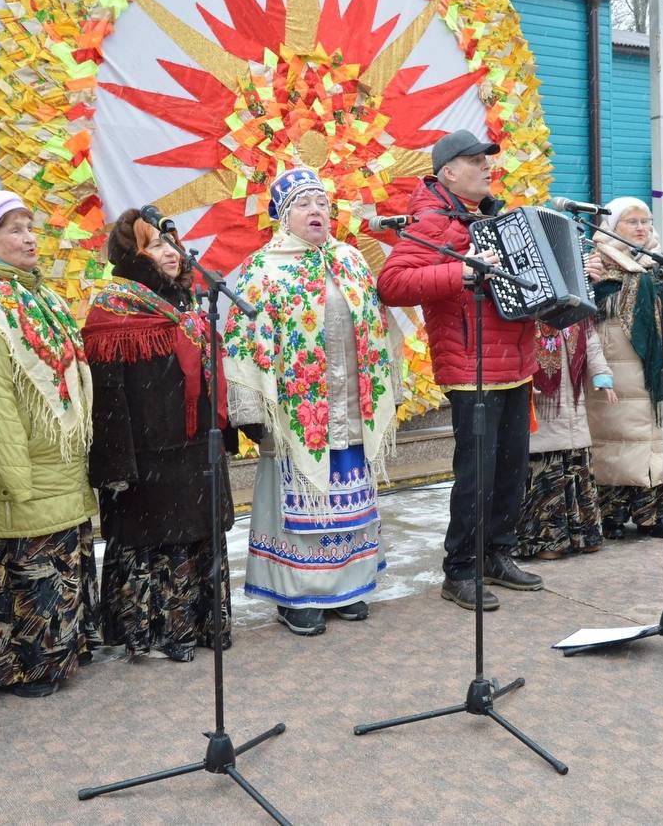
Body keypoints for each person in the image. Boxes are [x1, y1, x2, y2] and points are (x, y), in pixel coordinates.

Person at [223, 168, 400, 636]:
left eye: (321, 202)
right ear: (283, 216)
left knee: (349, 495)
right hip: (297, 414)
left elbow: (379, 328)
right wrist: (250, 410)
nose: (316, 211)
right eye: (303, 204)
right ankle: (297, 594)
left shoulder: (350, 260)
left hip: (350, 405)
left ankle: (351, 584)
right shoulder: (265, 268)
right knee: (301, 498)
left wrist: (389, 390)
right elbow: (242, 340)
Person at [377, 129, 544, 610]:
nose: (487, 167)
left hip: (516, 363)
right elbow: (392, 283)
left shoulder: (494, 218)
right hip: (469, 367)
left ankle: (498, 553)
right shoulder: (430, 222)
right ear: (448, 171)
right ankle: (461, 570)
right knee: (477, 473)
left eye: (487, 160)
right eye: (475, 161)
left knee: (512, 469)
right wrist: (461, 271)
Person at [0, 190, 99, 696]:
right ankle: (23, 666)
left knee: (57, 564)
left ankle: (61, 652)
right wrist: (18, 483)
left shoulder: (41, 297)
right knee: (26, 568)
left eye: (30, 226)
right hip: (22, 479)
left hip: (59, 465)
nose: (30, 237)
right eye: (14, 228)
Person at [84, 209, 234, 661]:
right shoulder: (112, 309)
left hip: (193, 452)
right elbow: (107, 401)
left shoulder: (185, 304)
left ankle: (201, 624)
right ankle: (160, 632)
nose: (171, 253)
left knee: (197, 536)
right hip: (148, 459)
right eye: (156, 245)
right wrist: (116, 466)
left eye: (173, 243)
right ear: (132, 255)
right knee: (157, 544)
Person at [586, 197, 663, 539]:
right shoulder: (596, 265)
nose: (641, 228)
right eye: (632, 221)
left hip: (658, 370)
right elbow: (585, 325)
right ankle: (614, 514)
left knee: (658, 442)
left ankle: (655, 514)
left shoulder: (662, 265)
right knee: (616, 443)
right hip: (615, 371)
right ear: (612, 226)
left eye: (646, 221)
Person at [512, 316, 613, 559]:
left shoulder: (577, 309)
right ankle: (547, 540)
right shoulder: (529, 307)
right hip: (541, 405)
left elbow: (591, 344)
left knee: (577, 466)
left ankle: (583, 534)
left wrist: (602, 376)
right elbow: (517, 342)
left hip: (574, 408)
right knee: (547, 470)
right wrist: (522, 375)